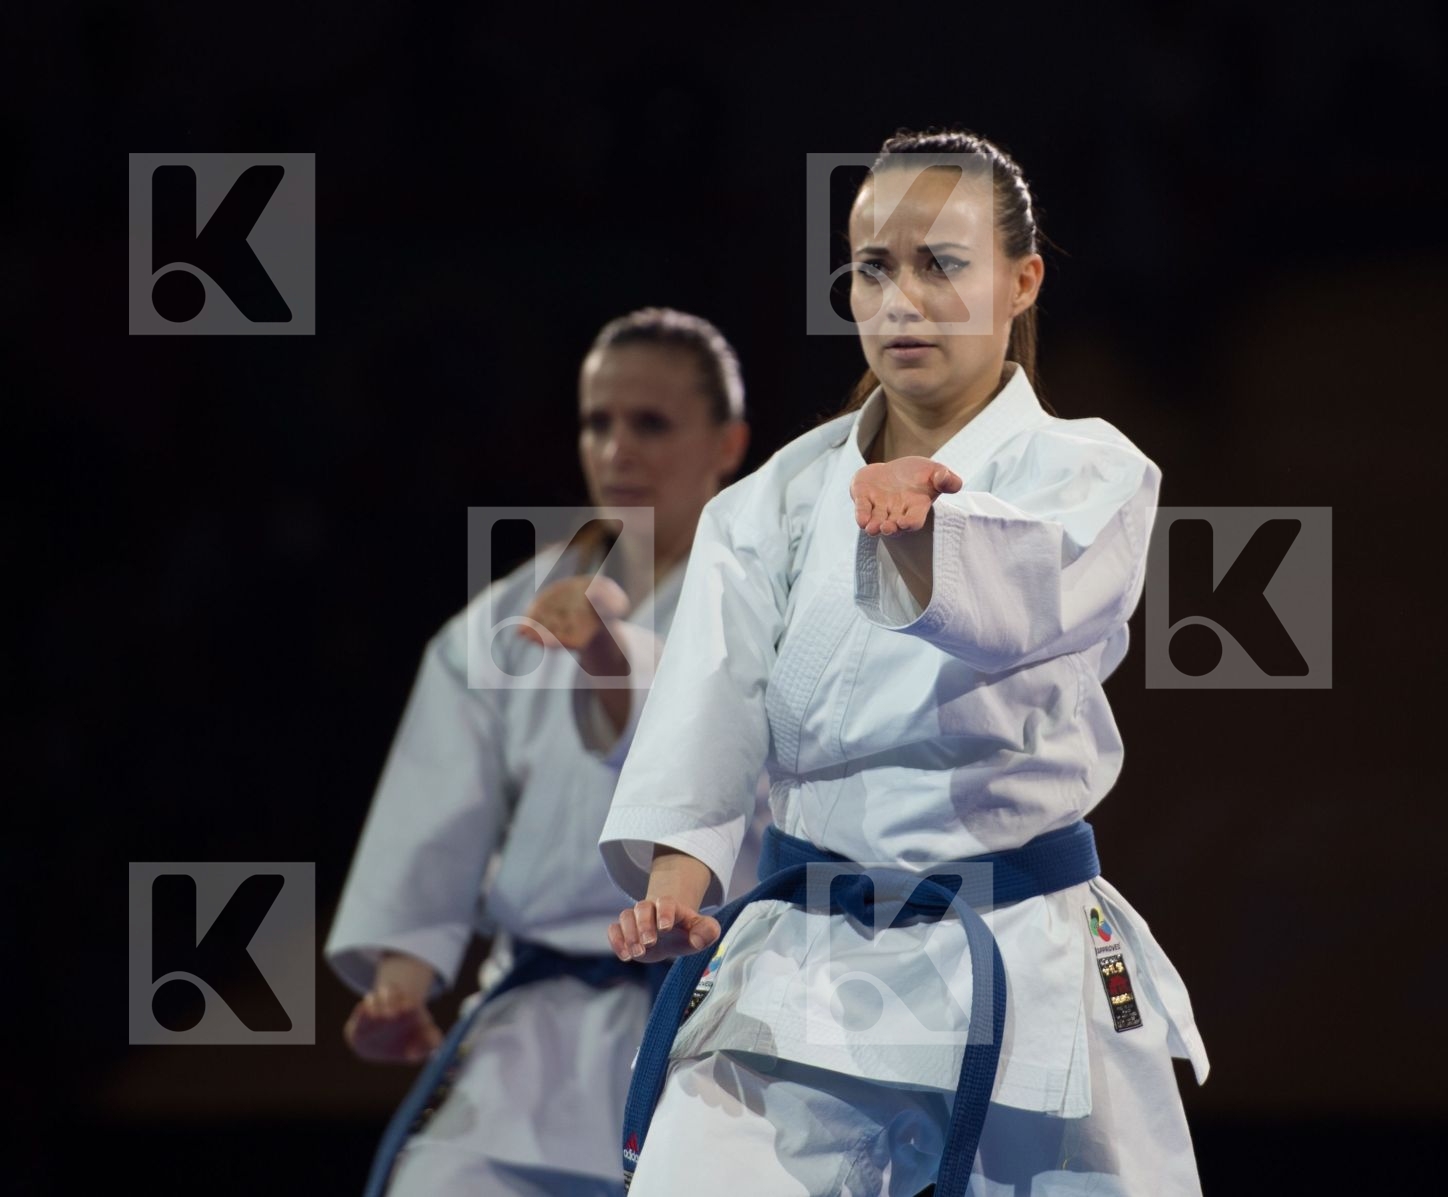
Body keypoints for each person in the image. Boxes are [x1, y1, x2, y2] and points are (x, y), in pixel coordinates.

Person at [597, 130, 1209, 1196]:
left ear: (1024, 282)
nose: (901, 301)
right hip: (806, 965)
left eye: (941, 265)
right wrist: (674, 887)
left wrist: (929, 531)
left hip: (1019, 956)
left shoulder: (1094, 471)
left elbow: (1020, 603)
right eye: (873, 269)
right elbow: (709, 712)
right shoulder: (772, 502)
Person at [324, 308, 767, 1196]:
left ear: (729, 443)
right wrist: (401, 980)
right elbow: (436, 807)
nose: (617, 449)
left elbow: (685, 734)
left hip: (711, 1017)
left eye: (651, 423)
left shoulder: (766, 600)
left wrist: (605, 652)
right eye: (598, 421)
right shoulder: (504, 618)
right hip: (533, 1026)